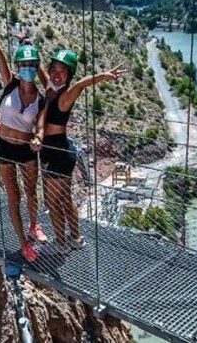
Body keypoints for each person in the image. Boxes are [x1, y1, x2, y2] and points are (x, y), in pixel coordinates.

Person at [40, 48, 126, 253]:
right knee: (65, 198)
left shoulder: (65, 96)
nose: (56, 73)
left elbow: (81, 84)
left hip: (57, 153)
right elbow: (40, 71)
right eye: (54, 69)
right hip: (60, 151)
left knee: (52, 202)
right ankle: (76, 238)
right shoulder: (51, 89)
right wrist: (25, 42)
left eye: (63, 71)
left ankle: (59, 244)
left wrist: (104, 76)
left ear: (69, 75)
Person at [0, 0, 47, 262]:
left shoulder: (41, 98)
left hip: (27, 150)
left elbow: (41, 126)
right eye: (24, 66)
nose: (28, 70)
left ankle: (34, 226)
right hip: (5, 148)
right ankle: (23, 242)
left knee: (31, 192)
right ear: (18, 68)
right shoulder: (10, 83)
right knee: (14, 196)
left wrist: (39, 138)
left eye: (32, 66)